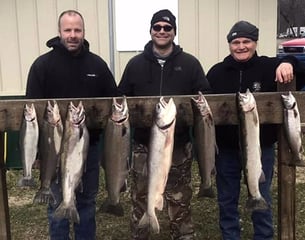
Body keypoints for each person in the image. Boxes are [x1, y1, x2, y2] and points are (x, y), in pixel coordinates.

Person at [206, 20, 305, 240]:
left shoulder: (269, 67)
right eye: (236, 42)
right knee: (227, 200)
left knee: (261, 197)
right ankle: (230, 236)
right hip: (226, 151)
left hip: (260, 149)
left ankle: (263, 236)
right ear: (229, 45)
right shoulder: (216, 72)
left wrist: (289, 62)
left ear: (255, 43)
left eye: (247, 41)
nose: (241, 46)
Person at [118, 9, 211, 240]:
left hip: (179, 144)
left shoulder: (190, 64)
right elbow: (122, 97)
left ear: (174, 32)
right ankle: (142, 232)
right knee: (141, 195)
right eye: (157, 27)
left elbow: (205, 97)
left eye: (167, 28)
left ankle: (182, 235)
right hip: (143, 145)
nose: (162, 31)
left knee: (179, 198)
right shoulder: (135, 64)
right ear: (151, 31)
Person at [26, 10, 118, 240]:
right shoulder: (42, 66)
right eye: (68, 30)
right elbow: (33, 112)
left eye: (77, 30)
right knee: (57, 202)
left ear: (83, 32)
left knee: (86, 202)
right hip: (53, 150)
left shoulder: (97, 65)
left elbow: (113, 101)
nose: (73, 35)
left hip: (89, 147)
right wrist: (38, 153)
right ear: (59, 32)